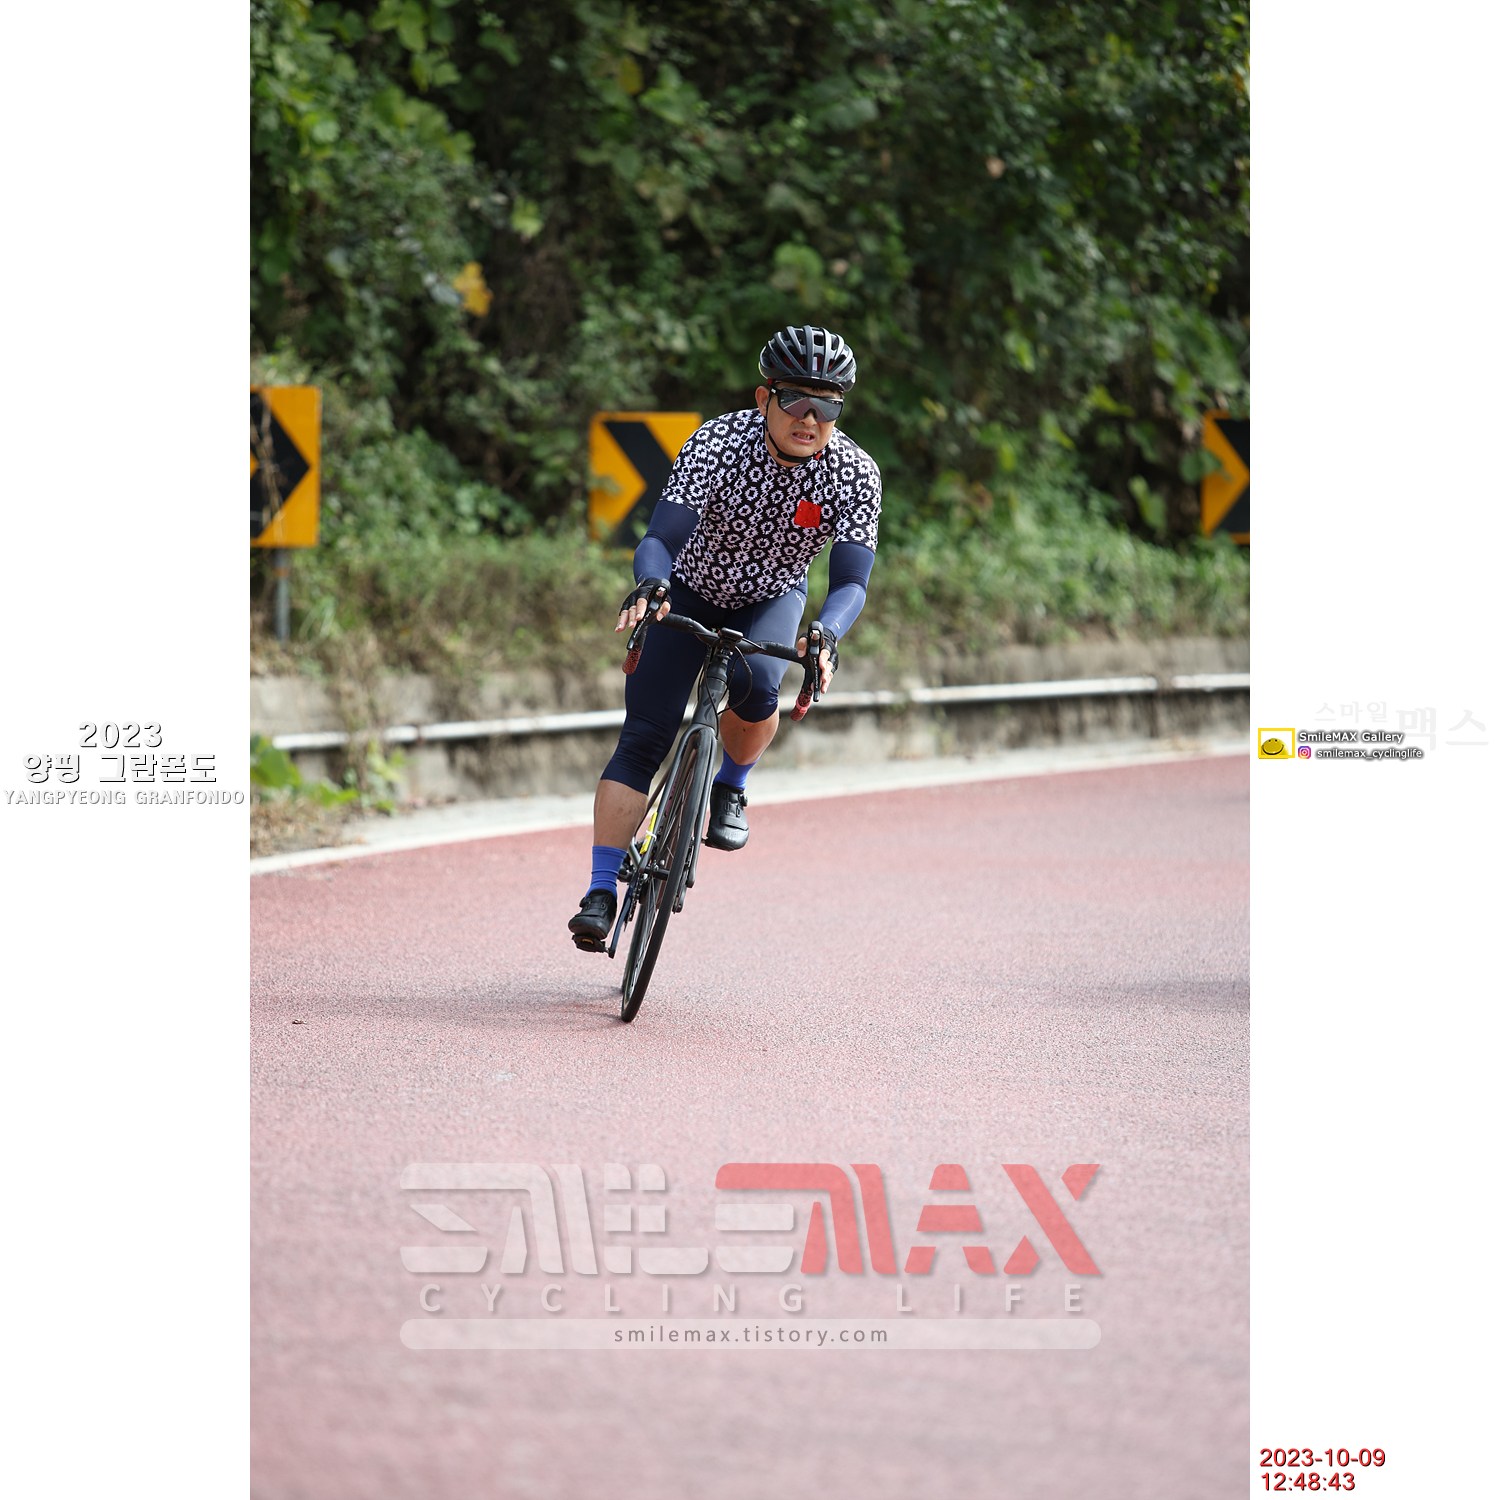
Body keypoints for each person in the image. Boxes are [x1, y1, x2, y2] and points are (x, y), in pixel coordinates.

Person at [568, 324, 883, 951]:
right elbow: (660, 538)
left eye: (827, 407)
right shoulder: (719, 443)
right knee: (644, 738)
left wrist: (826, 632)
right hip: (689, 588)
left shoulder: (854, 473)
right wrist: (652, 584)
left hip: (772, 596)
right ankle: (601, 891)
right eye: (795, 400)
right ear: (764, 397)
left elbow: (851, 581)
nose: (810, 418)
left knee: (761, 689)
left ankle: (731, 784)